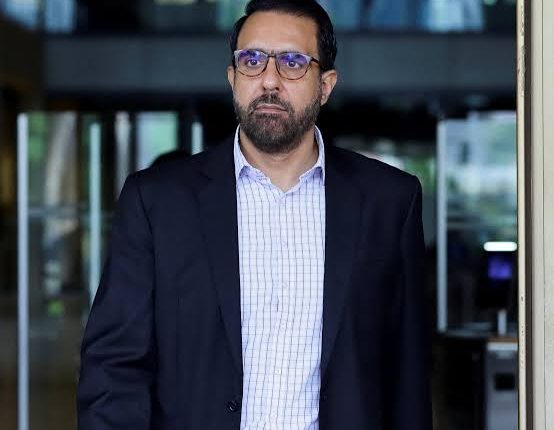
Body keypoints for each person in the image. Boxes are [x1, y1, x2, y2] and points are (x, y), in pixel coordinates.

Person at [76, 1, 432, 429]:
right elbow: (113, 368)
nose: (269, 79)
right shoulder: (158, 202)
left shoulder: (389, 202)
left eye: (293, 62)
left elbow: (408, 378)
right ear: (233, 78)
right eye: (252, 60)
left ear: (325, 85)